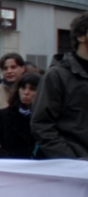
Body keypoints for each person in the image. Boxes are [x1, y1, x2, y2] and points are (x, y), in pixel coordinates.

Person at [32, 12, 88, 159]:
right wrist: (72, 160)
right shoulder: (57, 76)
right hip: (75, 168)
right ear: (81, 36)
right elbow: (42, 125)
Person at [0, 71, 40, 159]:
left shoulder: (47, 117)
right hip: (12, 166)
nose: (26, 92)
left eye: (32, 89)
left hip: (39, 167)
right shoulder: (3, 115)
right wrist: (7, 158)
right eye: (23, 88)